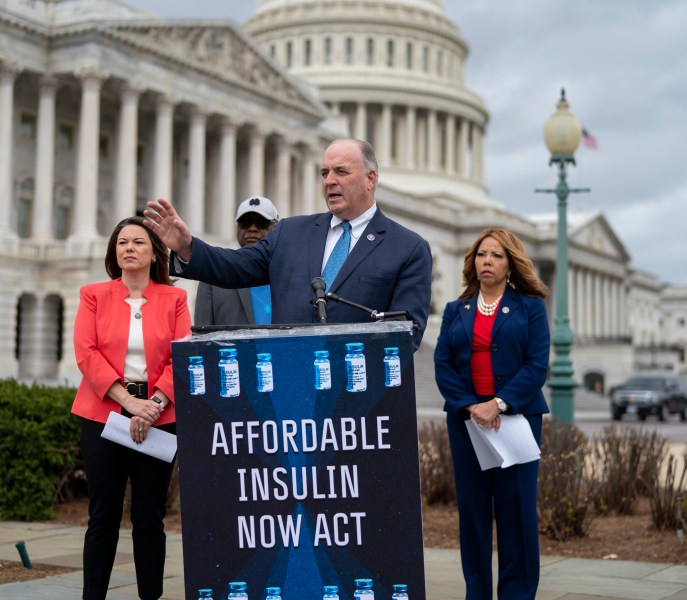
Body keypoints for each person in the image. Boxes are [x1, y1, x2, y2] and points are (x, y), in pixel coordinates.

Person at [144, 138, 432, 349]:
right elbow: (235, 266)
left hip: (359, 396)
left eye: (341, 172)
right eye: (324, 173)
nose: (329, 181)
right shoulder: (290, 233)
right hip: (288, 384)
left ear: (370, 179)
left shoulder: (407, 248)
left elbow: (407, 333)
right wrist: (187, 246)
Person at [71, 215, 191, 600]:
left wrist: (152, 406)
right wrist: (128, 402)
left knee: (148, 517)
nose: (129, 248)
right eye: (122, 242)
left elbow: (181, 353)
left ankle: (150, 596)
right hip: (104, 412)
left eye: (138, 242)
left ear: (155, 252)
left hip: (160, 414)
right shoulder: (93, 295)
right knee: (102, 514)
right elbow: (86, 353)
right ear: (113, 252)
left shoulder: (175, 298)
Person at [433, 228, 551, 600]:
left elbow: (536, 365)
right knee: (473, 512)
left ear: (510, 264)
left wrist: (498, 403)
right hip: (467, 422)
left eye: (497, 256)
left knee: (516, 512)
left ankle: (517, 593)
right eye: (482, 254)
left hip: (515, 419)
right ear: (473, 262)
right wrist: (471, 405)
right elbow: (442, 365)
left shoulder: (530, 306)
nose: (488, 261)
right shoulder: (456, 309)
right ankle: (478, 593)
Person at [194, 196, 280, 327]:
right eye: (245, 223)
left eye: (261, 223)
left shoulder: (289, 273)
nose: (252, 229)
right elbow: (202, 334)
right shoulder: (213, 276)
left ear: (276, 229)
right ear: (237, 229)